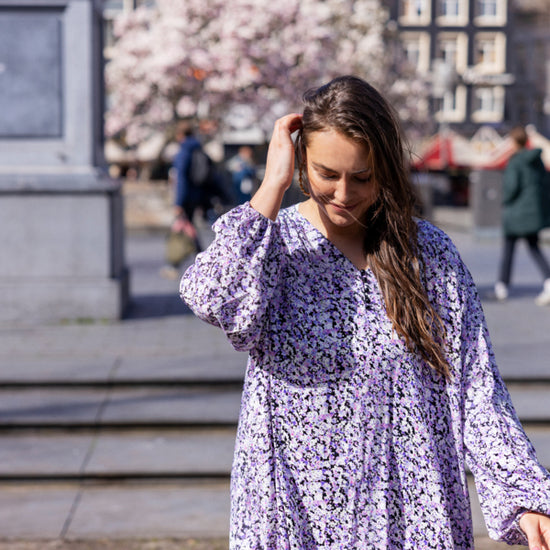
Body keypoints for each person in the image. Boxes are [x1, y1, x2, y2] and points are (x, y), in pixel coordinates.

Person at [180, 76, 550, 549]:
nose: (343, 193)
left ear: (386, 168)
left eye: (362, 177)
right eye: (326, 173)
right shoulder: (274, 246)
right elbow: (211, 297)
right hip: (295, 510)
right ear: (301, 162)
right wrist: (271, 186)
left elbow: (476, 386)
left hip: (411, 509)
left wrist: (524, 496)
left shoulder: (427, 253)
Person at [494, 126, 550, 305]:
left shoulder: (516, 161)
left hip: (516, 214)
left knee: (509, 250)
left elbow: (511, 188)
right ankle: (548, 281)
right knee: (534, 248)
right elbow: (544, 183)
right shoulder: (537, 160)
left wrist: (504, 200)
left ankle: (502, 286)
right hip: (532, 214)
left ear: (514, 142)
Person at [160, 121, 204, 279]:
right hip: (195, 196)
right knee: (189, 229)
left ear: (180, 135)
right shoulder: (197, 148)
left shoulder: (183, 152)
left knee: (183, 229)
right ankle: (201, 262)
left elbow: (181, 180)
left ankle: (176, 264)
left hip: (185, 198)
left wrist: (178, 202)